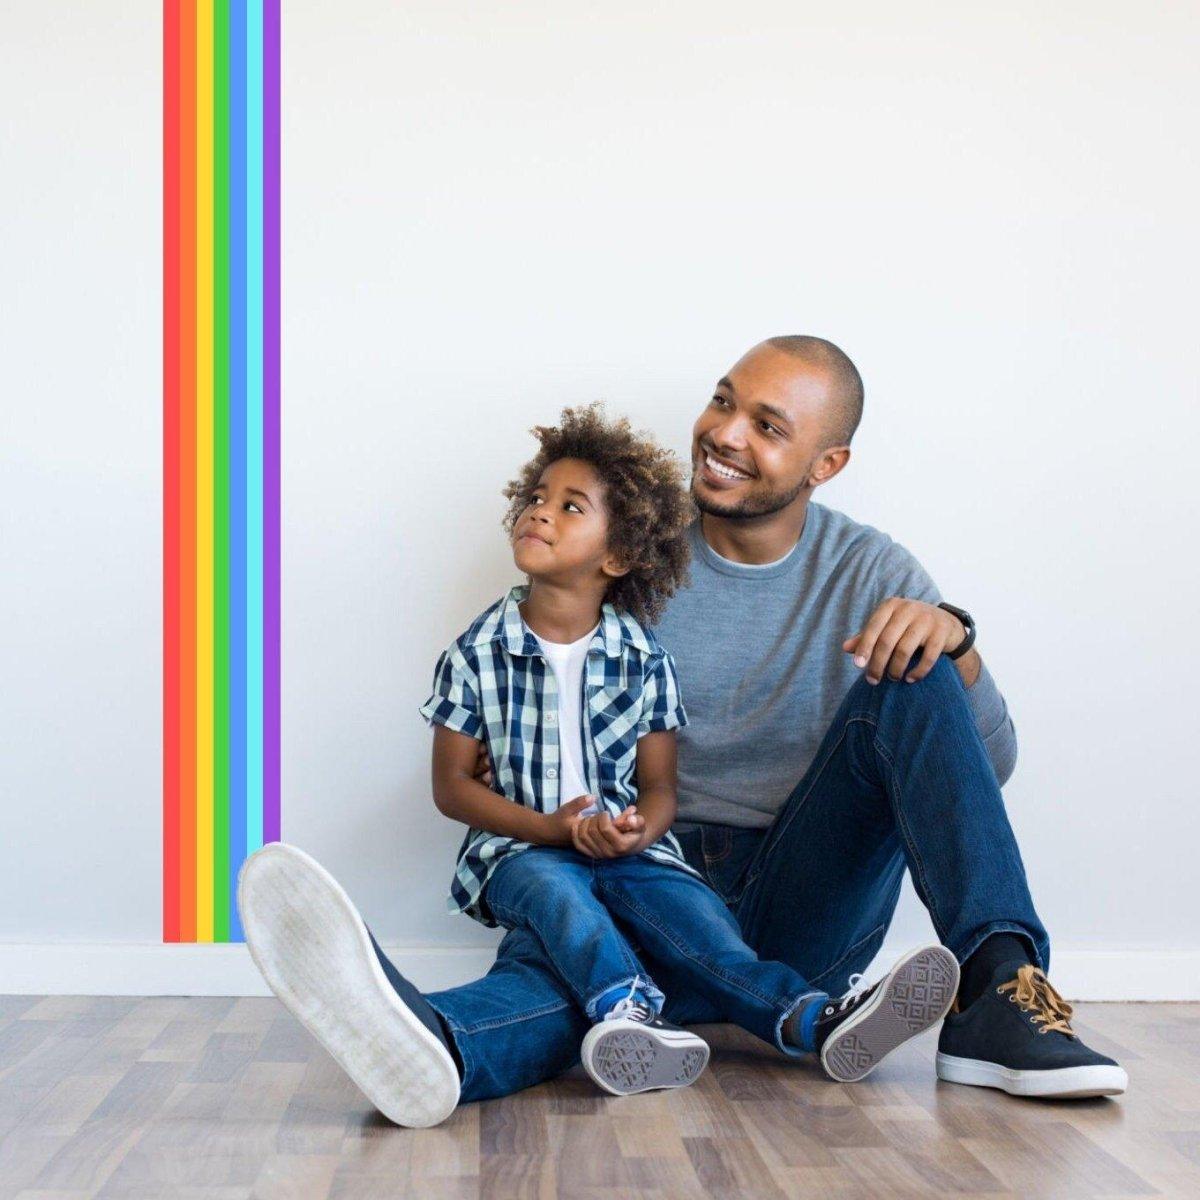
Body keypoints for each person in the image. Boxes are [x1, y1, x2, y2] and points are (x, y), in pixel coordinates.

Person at [244, 335, 1127, 1127]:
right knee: (584, 987)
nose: (726, 433)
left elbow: (987, 764)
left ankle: (1002, 997)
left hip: (797, 896)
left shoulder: (870, 569)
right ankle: (432, 1040)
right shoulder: (629, 554)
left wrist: (958, 646)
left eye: (768, 426)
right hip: (629, 869)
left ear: (826, 464)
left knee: (923, 659)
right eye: (723, 400)